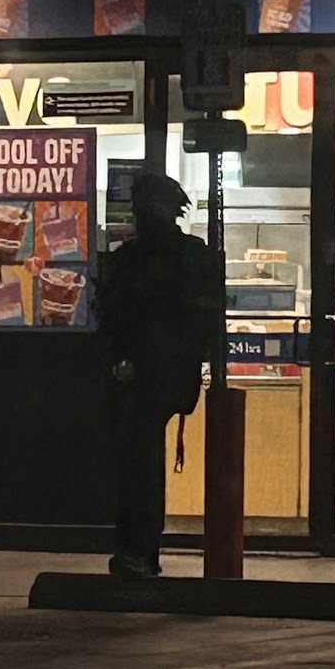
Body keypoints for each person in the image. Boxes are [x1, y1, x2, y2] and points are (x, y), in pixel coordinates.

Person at [95, 171, 224, 577]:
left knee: (137, 460)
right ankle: (140, 548)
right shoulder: (193, 255)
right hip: (170, 370)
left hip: (144, 373)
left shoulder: (132, 258)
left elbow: (111, 315)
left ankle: (138, 549)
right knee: (141, 459)